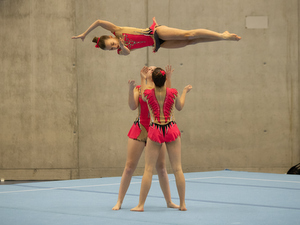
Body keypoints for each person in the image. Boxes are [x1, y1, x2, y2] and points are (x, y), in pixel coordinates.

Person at [112, 65, 178, 210]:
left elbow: (170, 98)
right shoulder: (139, 89)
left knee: (161, 168)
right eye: (149, 68)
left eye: (153, 69)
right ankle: (119, 201)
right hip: (141, 128)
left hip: (157, 130)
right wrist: (130, 90)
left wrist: (168, 80)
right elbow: (133, 106)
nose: (150, 69)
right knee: (129, 167)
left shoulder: (160, 89)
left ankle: (169, 201)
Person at [131, 66, 192, 212]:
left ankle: (141, 205)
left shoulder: (147, 93)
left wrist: (144, 77)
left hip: (156, 130)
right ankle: (182, 204)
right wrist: (184, 92)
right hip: (170, 128)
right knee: (177, 169)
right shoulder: (173, 92)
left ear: (154, 80)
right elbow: (180, 106)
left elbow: (143, 92)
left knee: (148, 169)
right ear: (165, 80)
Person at [72, 17, 241, 55]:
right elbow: (127, 53)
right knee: (192, 42)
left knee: (187, 34)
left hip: (156, 33)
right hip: (159, 44)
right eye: (111, 49)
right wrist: (122, 46)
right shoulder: (121, 49)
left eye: (112, 44)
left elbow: (99, 21)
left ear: (110, 37)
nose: (114, 46)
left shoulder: (117, 30)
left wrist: (85, 34)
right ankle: (221, 38)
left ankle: (222, 35)